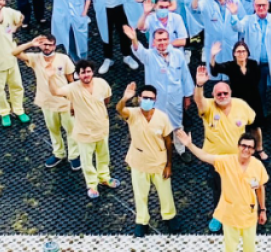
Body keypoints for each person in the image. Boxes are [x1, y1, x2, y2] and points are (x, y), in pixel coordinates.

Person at [175, 129, 268, 252]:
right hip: (230, 212)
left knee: (250, 242)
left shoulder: (257, 166)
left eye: (250, 147)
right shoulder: (226, 161)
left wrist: (262, 210)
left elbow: (260, 188)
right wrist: (189, 145)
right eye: (244, 145)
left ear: (253, 150)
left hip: (249, 212)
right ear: (238, 146)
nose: (246, 149)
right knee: (230, 246)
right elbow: (204, 156)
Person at [193, 64, 256, 233]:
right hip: (217, 161)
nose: (222, 96)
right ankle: (219, 216)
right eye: (218, 94)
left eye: (225, 93)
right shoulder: (208, 107)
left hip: (239, 159)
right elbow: (198, 100)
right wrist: (199, 85)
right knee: (218, 189)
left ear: (230, 93)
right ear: (213, 96)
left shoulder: (241, 105)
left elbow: (251, 124)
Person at [47, 59, 118, 199]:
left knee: (103, 156)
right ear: (78, 75)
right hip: (84, 132)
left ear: (93, 72)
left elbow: (107, 98)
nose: (86, 75)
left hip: (102, 127)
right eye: (83, 72)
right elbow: (56, 92)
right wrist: (50, 77)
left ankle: (104, 177)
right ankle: (92, 185)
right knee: (87, 160)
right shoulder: (73, 88)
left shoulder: (101, 83)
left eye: (88, 71)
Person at [117, 81, 177, 237]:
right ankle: (142, 221)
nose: (148, 101)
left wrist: (169, 165)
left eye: (151, 98)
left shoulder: (162, 118)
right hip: (139, 161)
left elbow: (169, 141)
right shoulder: (132, 114)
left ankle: (169, 216)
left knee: (165, 192)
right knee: (140, 193)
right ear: (139, 98)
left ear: (155, 100)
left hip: (158, 161)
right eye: (145, 98)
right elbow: (119, 110)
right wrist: (124, 98)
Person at [11, 35, 80, 171]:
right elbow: (15, 53)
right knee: (53, 129)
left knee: (71, 129)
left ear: (54, 45)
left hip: (64, 101)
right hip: (47, 102)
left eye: (50, 44)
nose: (47, 47)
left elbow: (71, 79)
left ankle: (74, 156)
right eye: (44, 44)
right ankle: (59, 153)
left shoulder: (63, 59)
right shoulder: (35, 58)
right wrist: (31, 43)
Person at [211, 40, 271, 160]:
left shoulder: (253, 64)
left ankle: (259, 149)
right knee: (238, 127)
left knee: (255, 126)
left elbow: (257, 79)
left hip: (253, 99)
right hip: (237, 101)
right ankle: (241, 151)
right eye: (238, 51)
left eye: (243, 51)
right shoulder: (230, 66)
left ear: (247, 53)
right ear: (234, 54)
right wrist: (212, 56)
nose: (241, 54)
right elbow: (215, 69)